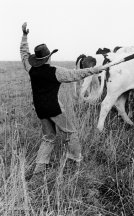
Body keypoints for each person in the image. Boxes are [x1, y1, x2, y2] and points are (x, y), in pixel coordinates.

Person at [20, 22, 105, 180]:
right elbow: (76, 75)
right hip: (54, 109)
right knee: (71, 133)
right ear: (49, 57)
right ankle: (75, 163)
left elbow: (24, 55)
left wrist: (24, 36)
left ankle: (38, 173)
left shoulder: (31, 69)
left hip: (40, 109)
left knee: (49, 137)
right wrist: (95, 70)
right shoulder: (55, 72)